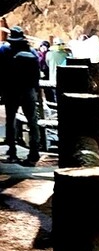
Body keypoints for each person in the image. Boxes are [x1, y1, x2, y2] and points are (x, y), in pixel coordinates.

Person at [0, 26, 41, 165]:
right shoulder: (32, 51)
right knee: (32, 121)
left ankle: (12, 152)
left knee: (10, 120)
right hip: (29, 90)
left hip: (11, 90)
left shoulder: (5, 50)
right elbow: (38, 70)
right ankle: (34, 151)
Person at [44, 37, 70, 106]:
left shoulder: (49, 54)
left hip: (53, 78)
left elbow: (47, 64)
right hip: (63, 79)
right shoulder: (66, 55)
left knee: (56, 97)